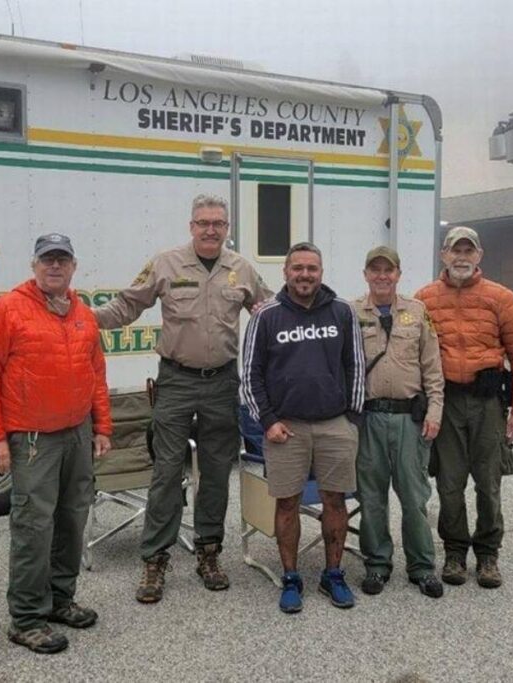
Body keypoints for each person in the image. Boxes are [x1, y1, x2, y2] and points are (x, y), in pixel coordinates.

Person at [94, 194, 272, 603]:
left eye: (218, 223)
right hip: (175, 381)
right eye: (203, 222)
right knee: (166, 471)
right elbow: (127, 304)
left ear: (227, 228)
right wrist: (84, 318)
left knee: (214, 473)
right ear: (191, 226)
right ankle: (155, 560)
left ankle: (209, 553)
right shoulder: (166, 263)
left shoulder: (240, 269)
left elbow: (268, 312)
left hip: (222, 384)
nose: (211, 230)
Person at [0, 233, 113, 654]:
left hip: (76, 434)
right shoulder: (8, 310)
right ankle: (27, 618)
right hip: (32, 439)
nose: (55, 267)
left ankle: (60, 600)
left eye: (62, 260)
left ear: (73, 266)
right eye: (47, 260)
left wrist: (102, 427)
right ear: (34, 265)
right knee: (34, 527)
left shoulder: (83, 314)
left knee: (72, 521)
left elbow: (96, 376)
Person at [241, 242, 365, 614]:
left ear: (321, 272)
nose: (305, 274)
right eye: (298, 268)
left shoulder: (342, 312)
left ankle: (333, 574)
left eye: (312, 268)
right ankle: (291, 577)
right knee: (287, 502)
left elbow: (355, 366)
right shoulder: (266, 316)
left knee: (334, 500)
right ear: (286, 272)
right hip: (286, 429)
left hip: (334, 425)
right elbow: (250, 376)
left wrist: (351, 420)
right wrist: (267, 421)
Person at [415, 226, 513, 589]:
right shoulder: (424, 300)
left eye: (469, 250)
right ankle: (454, 551)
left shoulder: (501, 298)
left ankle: (487, 554)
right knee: (449, 482)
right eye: (455, 250)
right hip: (446, 402)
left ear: (479, 256)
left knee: (488, 481)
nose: (462, 257)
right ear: (443, 256)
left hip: (487, 405)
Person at [352, 246, 445, 599]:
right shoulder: (351, 312)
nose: (381, 276)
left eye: (388, 270)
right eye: (375, 270)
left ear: (398, 274)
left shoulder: (418, 312)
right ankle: (377, 564)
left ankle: (422, 567)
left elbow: (433, 369)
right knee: (372, 497)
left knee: (414, 496)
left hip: (410, 419)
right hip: (369, 419)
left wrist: (435, 412)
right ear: (366, 274)